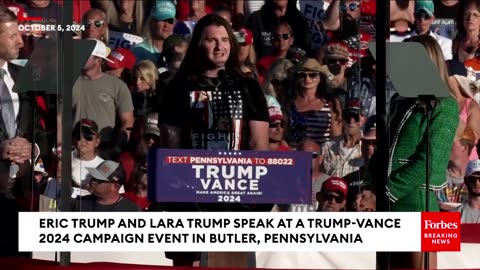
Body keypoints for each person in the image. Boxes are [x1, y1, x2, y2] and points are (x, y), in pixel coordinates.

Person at [157, 14, 271, 266]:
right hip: (188, 201)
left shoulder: (248, 86)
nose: (220, 47)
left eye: (224, 40)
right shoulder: (177, 87)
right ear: (199, 43)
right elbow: (170, 150)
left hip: (236, 201)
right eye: (211, 40)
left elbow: (259, 147)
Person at [369, 34, 458, 269]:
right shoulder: (400, 101)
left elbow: (429, 163)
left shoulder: (445, 105)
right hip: (389, 205)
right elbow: (383, 150)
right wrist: (368, 185)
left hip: (420, 206)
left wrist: (385, 192)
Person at [0, 6, 46, 257]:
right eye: (12, 35)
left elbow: (39, 130)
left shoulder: (22, 77)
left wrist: (33, 148)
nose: (21, 40)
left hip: (23, 195)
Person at [71, 160, 140, 212]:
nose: (93, 181)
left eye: (99, 180)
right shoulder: (80, 202)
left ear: (115, 187)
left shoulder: (131, 211)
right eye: (93, 177)